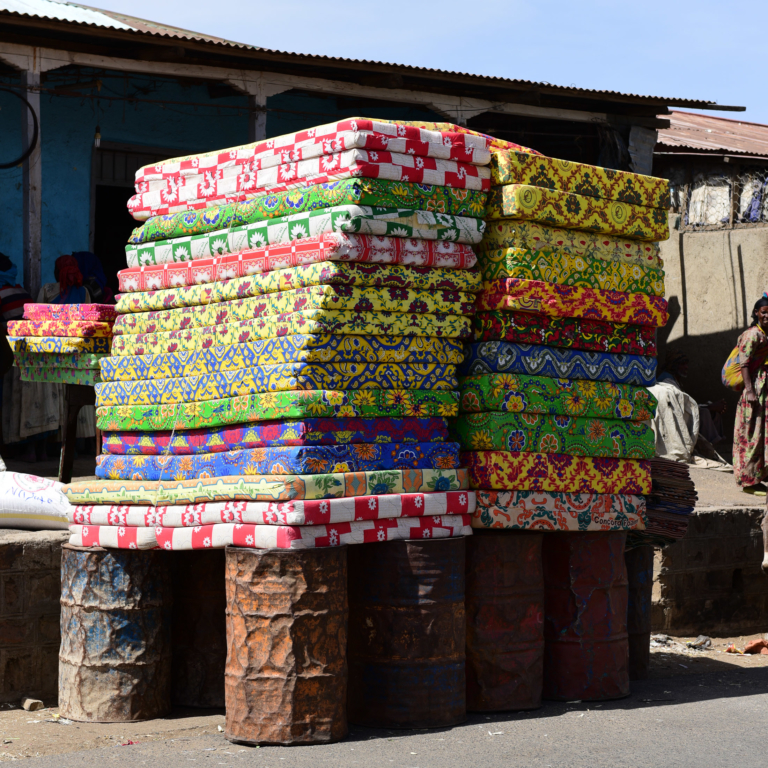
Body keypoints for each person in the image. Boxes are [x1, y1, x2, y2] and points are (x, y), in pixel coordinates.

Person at [733, 296, 768, 495]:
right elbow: (744, 363)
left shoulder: (765, 334)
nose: (767, 316)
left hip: (764, 389)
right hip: (755, 389)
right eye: (763, 312)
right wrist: (750, 390)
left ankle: (759, 475)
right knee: (751, 434)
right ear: (756, 313)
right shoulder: (753, 335)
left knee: (761, 433)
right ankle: (748, 480)